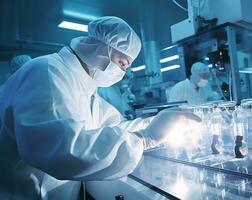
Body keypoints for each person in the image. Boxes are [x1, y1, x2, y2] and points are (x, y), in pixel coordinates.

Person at [0, 16, 200, 199]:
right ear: (103, 48)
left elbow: (116, 127)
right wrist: (145, 137)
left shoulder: (85, 87)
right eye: (123, 63)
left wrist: (157, 122)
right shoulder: (47, 71)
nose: (123, 72)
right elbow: (65, 149)